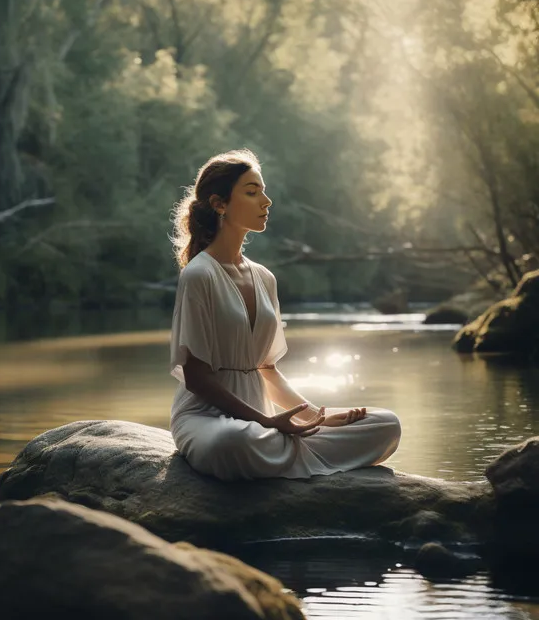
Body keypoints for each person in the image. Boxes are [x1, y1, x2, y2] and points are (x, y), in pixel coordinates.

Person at [168, 148, 401, 481]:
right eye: (252, 192)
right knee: (233, 441)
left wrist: (314, 416)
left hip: (265, 425)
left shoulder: (264, 277)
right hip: (209, 420)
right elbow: (196, 377)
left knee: (386, 424)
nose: (267, 201)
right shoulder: (198, 275)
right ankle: (289, 448)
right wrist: (266, 422)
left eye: (263, 190)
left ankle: (288, 447)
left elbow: (266, 369)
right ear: (220, 204)